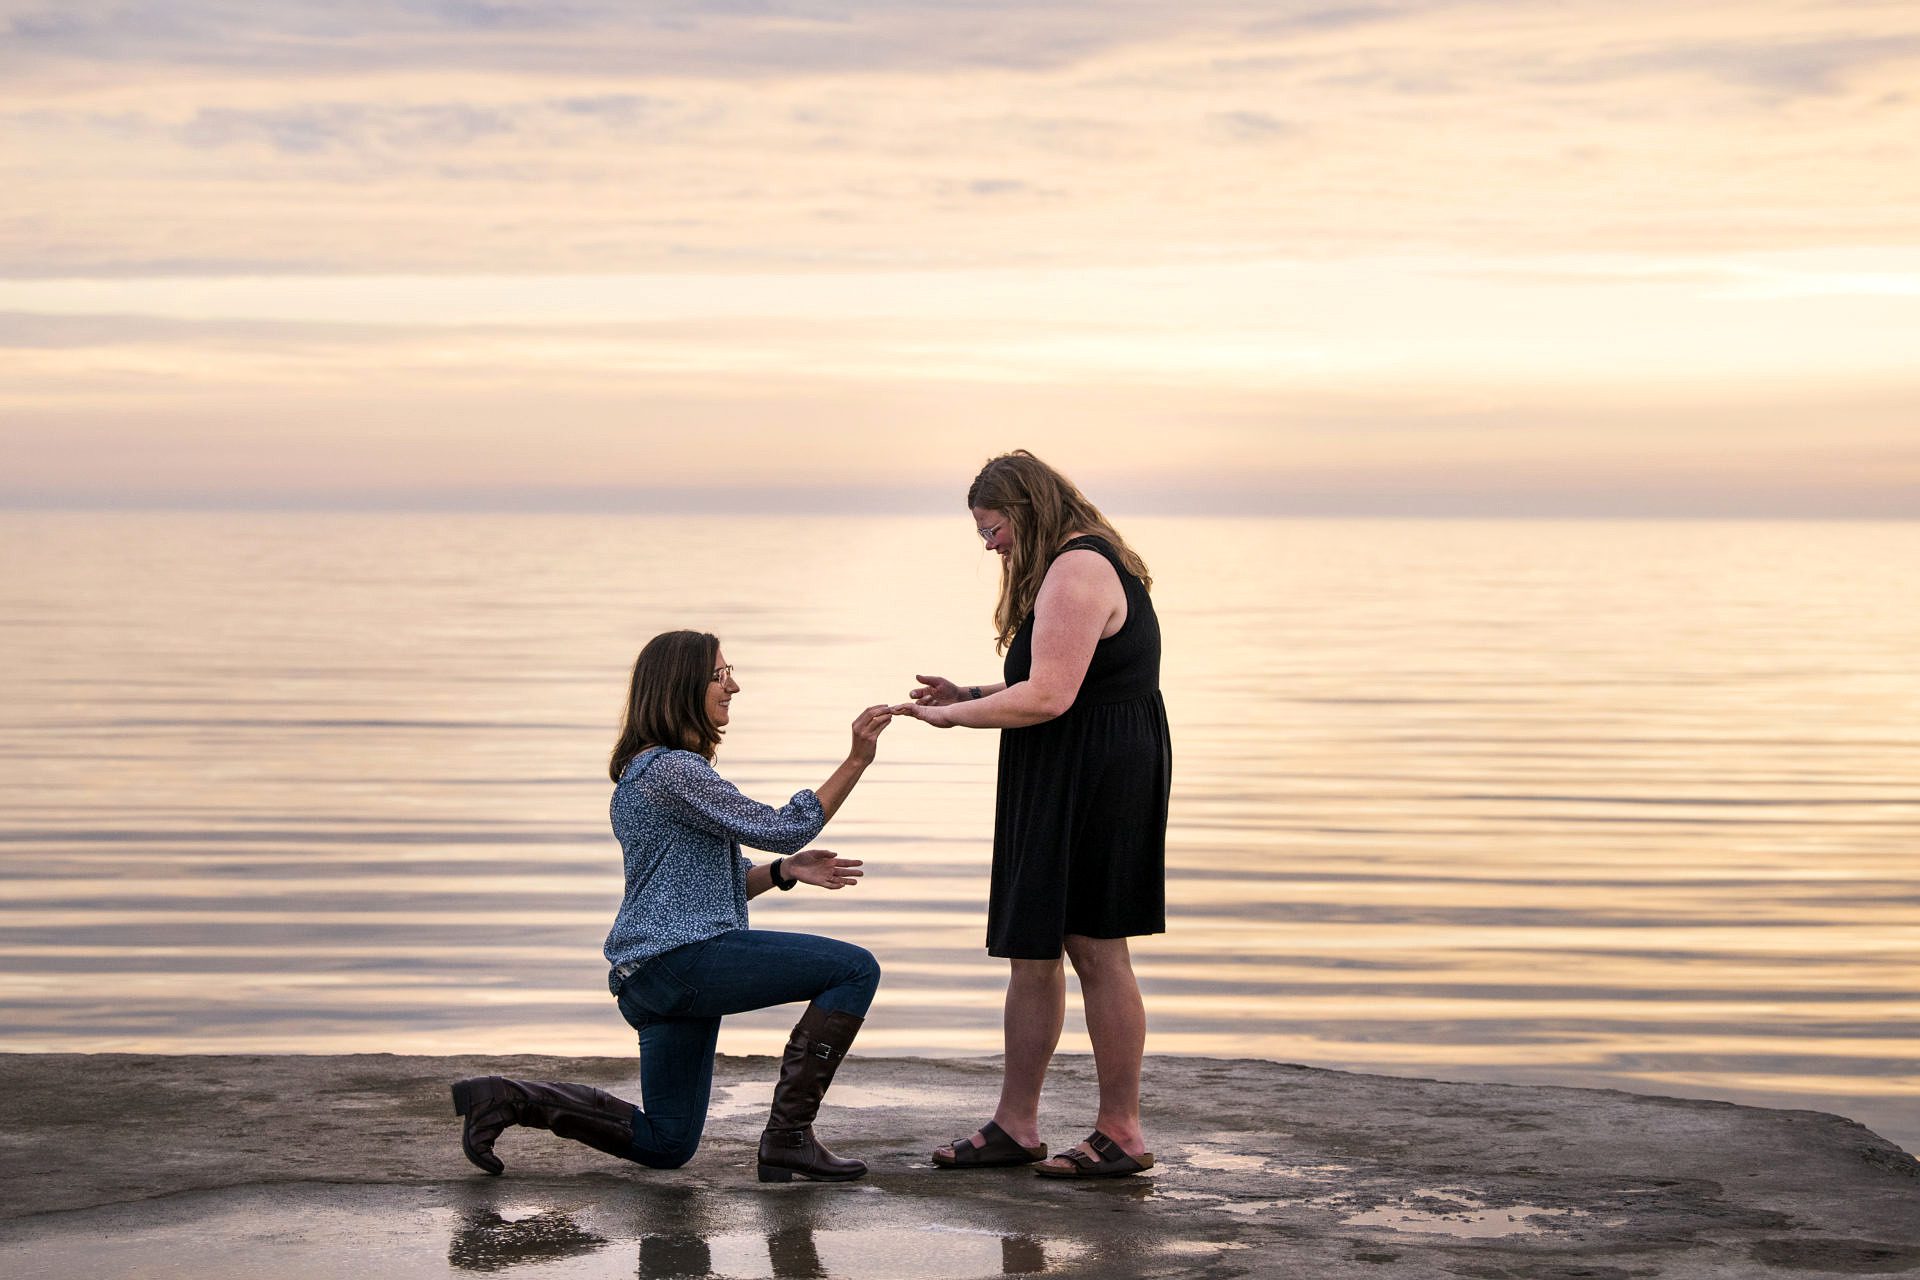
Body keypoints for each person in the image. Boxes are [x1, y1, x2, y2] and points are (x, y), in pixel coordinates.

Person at [452, 629, 893, 1183]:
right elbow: (785, 827)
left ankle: (506, 1098)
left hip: (656, 974)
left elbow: (708, 888)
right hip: (681, 962)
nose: (733, 685)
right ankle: (789, 1137)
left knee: (667, 1143)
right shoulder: (672, 770)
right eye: (719, 674)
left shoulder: (649, 774)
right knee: (855, 969)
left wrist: (783, 873)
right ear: (681, 686)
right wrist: (857, 759)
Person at [891, 450, 1169, 1178]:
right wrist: (971, 690)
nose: (990, 546)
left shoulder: (1078, 568)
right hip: (1066, 763)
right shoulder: (1074, 565)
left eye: (992, 529)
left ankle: (1122, 1132)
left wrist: (955, 718)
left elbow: (1049, 697)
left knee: (1096, 946)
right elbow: (1055, 675)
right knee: (1033, 950)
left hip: (1093, 772)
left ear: (1025, 509)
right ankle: (1016, 1125)